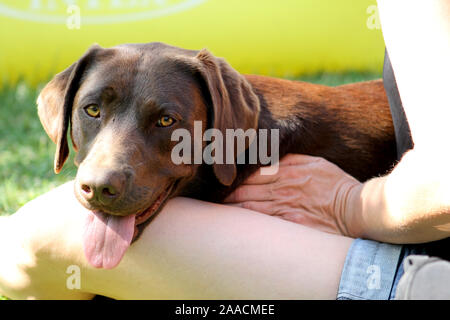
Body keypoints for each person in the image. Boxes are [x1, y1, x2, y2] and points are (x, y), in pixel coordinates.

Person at [0, 0, 449, 300]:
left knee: (34, 239)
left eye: (166, 122)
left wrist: (351, 205)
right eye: (93, 111)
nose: (102, 173)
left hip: (419, 278)